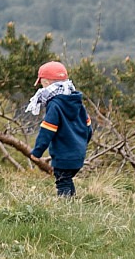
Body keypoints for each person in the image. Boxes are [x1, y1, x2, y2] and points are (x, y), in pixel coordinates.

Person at [28, 60, 93, 196]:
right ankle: (72, 205)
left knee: (63, 183)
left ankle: (66, 210)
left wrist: (37, 152)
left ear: (46, 83)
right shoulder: (77, 102)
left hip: (63, 155)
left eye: (43, 84)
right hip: (78, 154)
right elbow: (88, 128)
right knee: (67, 180)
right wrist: (81, 144)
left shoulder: (55, 105)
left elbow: (47, 130)